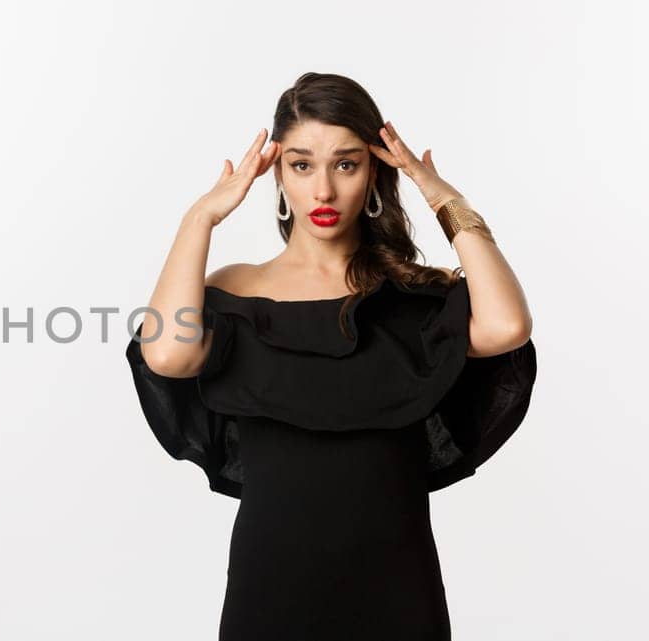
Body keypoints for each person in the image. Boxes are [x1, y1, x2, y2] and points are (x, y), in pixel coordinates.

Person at [123, 72, 538, 640]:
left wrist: (444, 198)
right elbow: (167, 355)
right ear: (277, 175)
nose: (323, 190)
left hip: (398, 591)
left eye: (345, 164)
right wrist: (199, 219)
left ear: (373, 173)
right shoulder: (237, 292)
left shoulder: (414, 297)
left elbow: (507, 326)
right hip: (271, 592)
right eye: (301, 165)